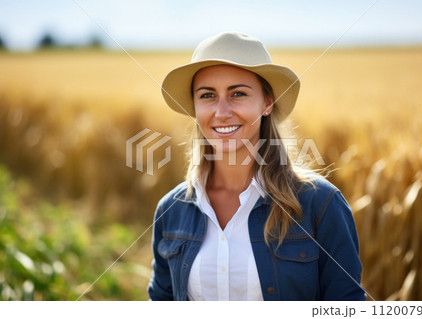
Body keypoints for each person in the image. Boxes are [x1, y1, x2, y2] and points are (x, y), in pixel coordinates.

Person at [148, 32, 366, 301]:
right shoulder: (171, 210)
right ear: (194, 107)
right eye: (207, 95)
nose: (222, 111)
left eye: (238, 93)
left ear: (267, 103)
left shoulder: (321, 204)